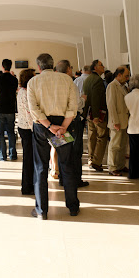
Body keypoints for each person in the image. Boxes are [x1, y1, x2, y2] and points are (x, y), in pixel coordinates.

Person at [26, 53, 80, 219]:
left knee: (40, 167)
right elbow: (73, 106)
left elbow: (33, 109)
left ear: (39, 67)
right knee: (66, 164)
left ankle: (42, 210)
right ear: (53, 65)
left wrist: (49, 126)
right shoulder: (66, 80)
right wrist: (62, 127)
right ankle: (72, 207)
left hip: (43, 127)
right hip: (63, 127)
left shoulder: (33, 82)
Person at [56, 60, 88, 188]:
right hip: (72, 122)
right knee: (75, 151)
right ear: (68, 69)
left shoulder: (54, 83)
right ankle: (75, 179)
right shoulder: (70, 83)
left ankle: (62, 177)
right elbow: (76, 104)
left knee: (61, 149)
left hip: (57, 122)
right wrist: (83, 99)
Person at [82, 59, 109, 172]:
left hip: (89, 112)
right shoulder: (97, 80)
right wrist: (97, 116)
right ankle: (97, 162)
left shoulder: (88, 79)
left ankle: (90, 159)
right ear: (95, 68)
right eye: (101, 65)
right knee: (101, 137)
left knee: (92, 136)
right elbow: (96, 99)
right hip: (97, 113)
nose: (103, 66)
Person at [0, 58, 19, 161]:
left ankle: (2, 156)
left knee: (0, 133)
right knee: (11, 132)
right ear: (10, 66)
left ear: (2, 66)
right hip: (10, 109)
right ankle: (13, 155)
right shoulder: (14, 79)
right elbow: (16, 90)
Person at [106, 66, 131, 176]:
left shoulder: (124, 86)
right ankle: (112, 166)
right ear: (119, 75)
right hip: (116, 121)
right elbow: (111, 105)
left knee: (123, 145)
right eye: (126, 76)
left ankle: (121, 165)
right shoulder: (112, 86)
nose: (127, 78)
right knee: (115, 145)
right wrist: (115, 121)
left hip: (125, 120)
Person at [16, 68, 36, 194]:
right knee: (29, 158)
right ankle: (27, 186)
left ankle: (28, 184)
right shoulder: (25, 92)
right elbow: (29, 113)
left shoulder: (22, 91)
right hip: (28, 128)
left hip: (24, 127)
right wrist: (35, 129)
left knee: (29, 158)